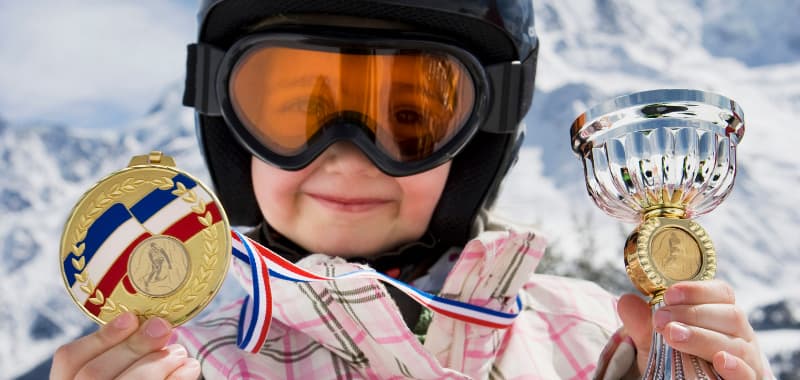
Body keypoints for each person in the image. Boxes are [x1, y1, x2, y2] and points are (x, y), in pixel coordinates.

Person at [51, 0, 771, 378]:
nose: (347, 155)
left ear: (483, 133)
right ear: (230, 128)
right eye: (295, 111)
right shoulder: (178, 369)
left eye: (410, 120)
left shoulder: (592, 343)